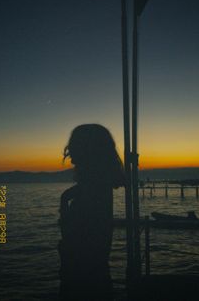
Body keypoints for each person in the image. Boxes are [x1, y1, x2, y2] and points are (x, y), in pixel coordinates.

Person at [58, 124, 125, 301]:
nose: (72, 160)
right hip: (92, 275)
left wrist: (65, 206)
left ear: (90, 153)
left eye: (75, 152)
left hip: (84, 280)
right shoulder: (98, 187)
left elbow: (80, 238)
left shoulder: (93, 192)